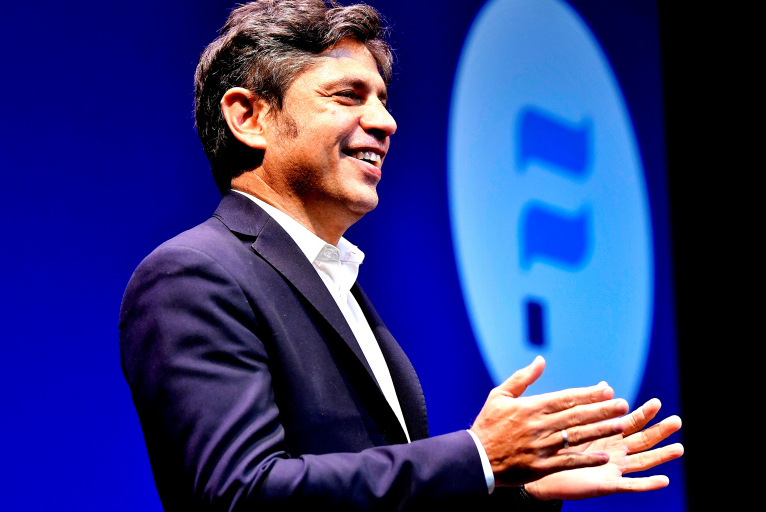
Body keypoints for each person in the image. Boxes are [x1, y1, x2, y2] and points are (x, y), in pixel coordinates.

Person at [118, 1, 683, 510]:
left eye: (383, 101)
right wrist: (478, 457)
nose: (386, 123)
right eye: (348, 95)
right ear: (249, 117)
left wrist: (519, 487)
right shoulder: (194, 276)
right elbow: (241, 495)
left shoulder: (336, 285)